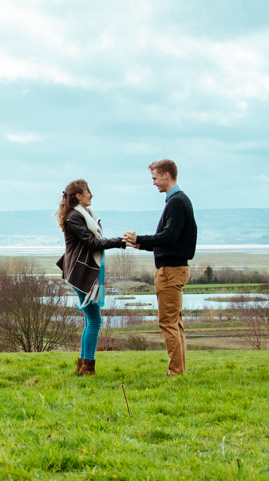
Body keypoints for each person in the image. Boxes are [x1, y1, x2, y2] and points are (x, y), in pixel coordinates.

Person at [124, 159, 197, 376]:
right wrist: (141, 244)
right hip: (174, 268)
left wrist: (140, 238)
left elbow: (169, 237)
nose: (154, 183)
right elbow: (169, 242)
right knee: (176, 323)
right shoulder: (179, 200)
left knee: (167, 323)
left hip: (170, 272)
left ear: (167, 174)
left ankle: (175, 372)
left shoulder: (176, 202)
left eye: (155, 178)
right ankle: (179, 370)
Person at [56, 179, 125, 376]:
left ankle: (83, 364)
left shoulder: (81, 216)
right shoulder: (75, 217)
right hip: (81, 273)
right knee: (94, 320)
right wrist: (120, 242)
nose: (91, 195)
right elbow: (92, 243)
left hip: (81, 271)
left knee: (90, 319)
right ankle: (87, 366)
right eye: (88, 191)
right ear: (78, 195)